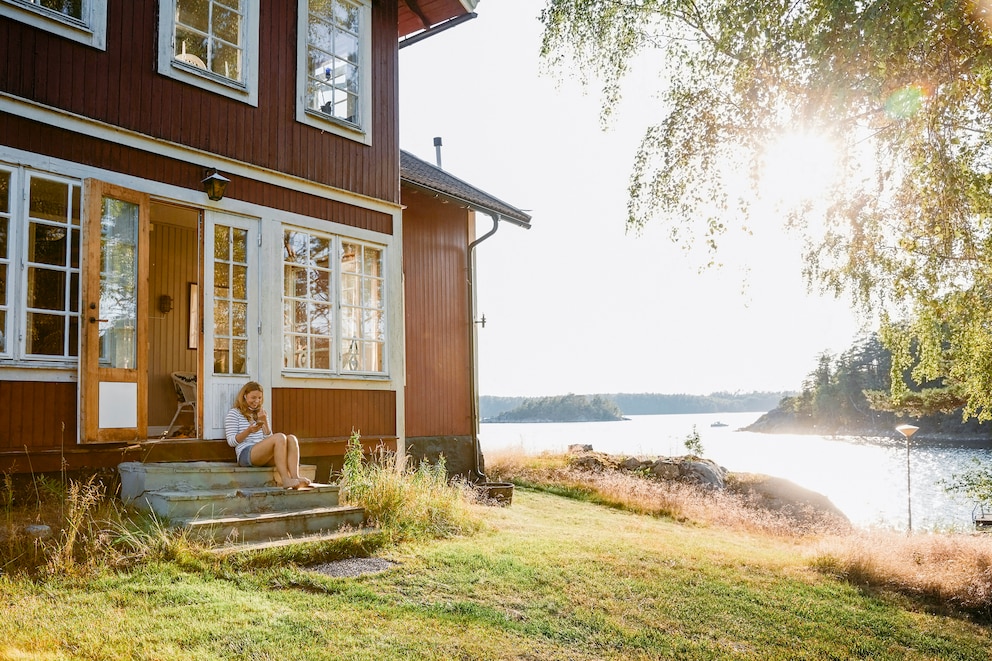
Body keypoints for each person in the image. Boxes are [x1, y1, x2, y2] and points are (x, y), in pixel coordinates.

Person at [225, 381, 311, 489]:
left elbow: (269, 438)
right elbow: (231, 441)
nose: (256, 401)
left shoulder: (262, 413)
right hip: (246, 454)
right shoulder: (234, 413)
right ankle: (285, 479)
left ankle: (295, 477)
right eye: (253, 397)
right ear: (245, 396)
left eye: (259, 398)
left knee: (291, 439)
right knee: (280, 437)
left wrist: (264, 420)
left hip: (262, 454)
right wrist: (248, 431)